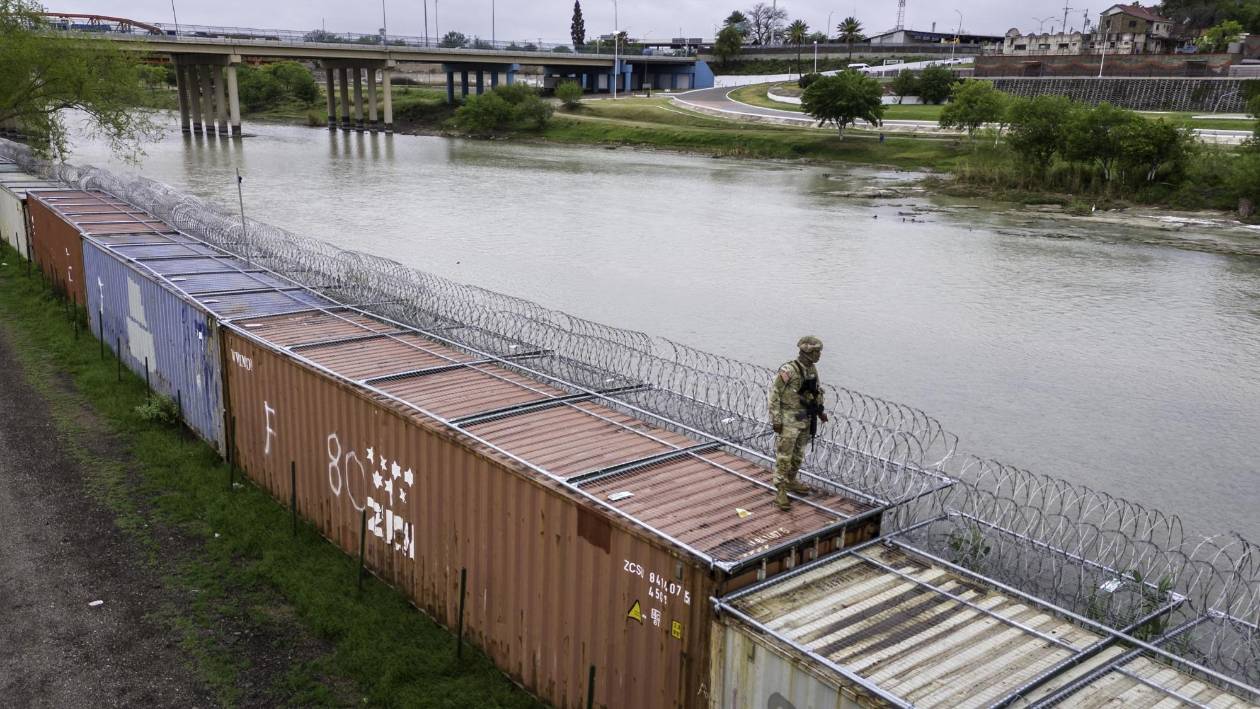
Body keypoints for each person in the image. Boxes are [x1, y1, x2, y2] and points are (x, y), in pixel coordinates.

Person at [767, 336, 829, 512]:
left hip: (804, 419)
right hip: (789, 421)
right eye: (816, 352)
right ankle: (780, 489)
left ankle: (791, 480)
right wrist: (776, 419)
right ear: (807, 352)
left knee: (798, 455)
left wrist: (820, 411)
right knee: (784, 456)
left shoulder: (812, 370)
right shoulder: (789, 370)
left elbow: (815, 392)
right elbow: (774, 393)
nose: (819, 355)